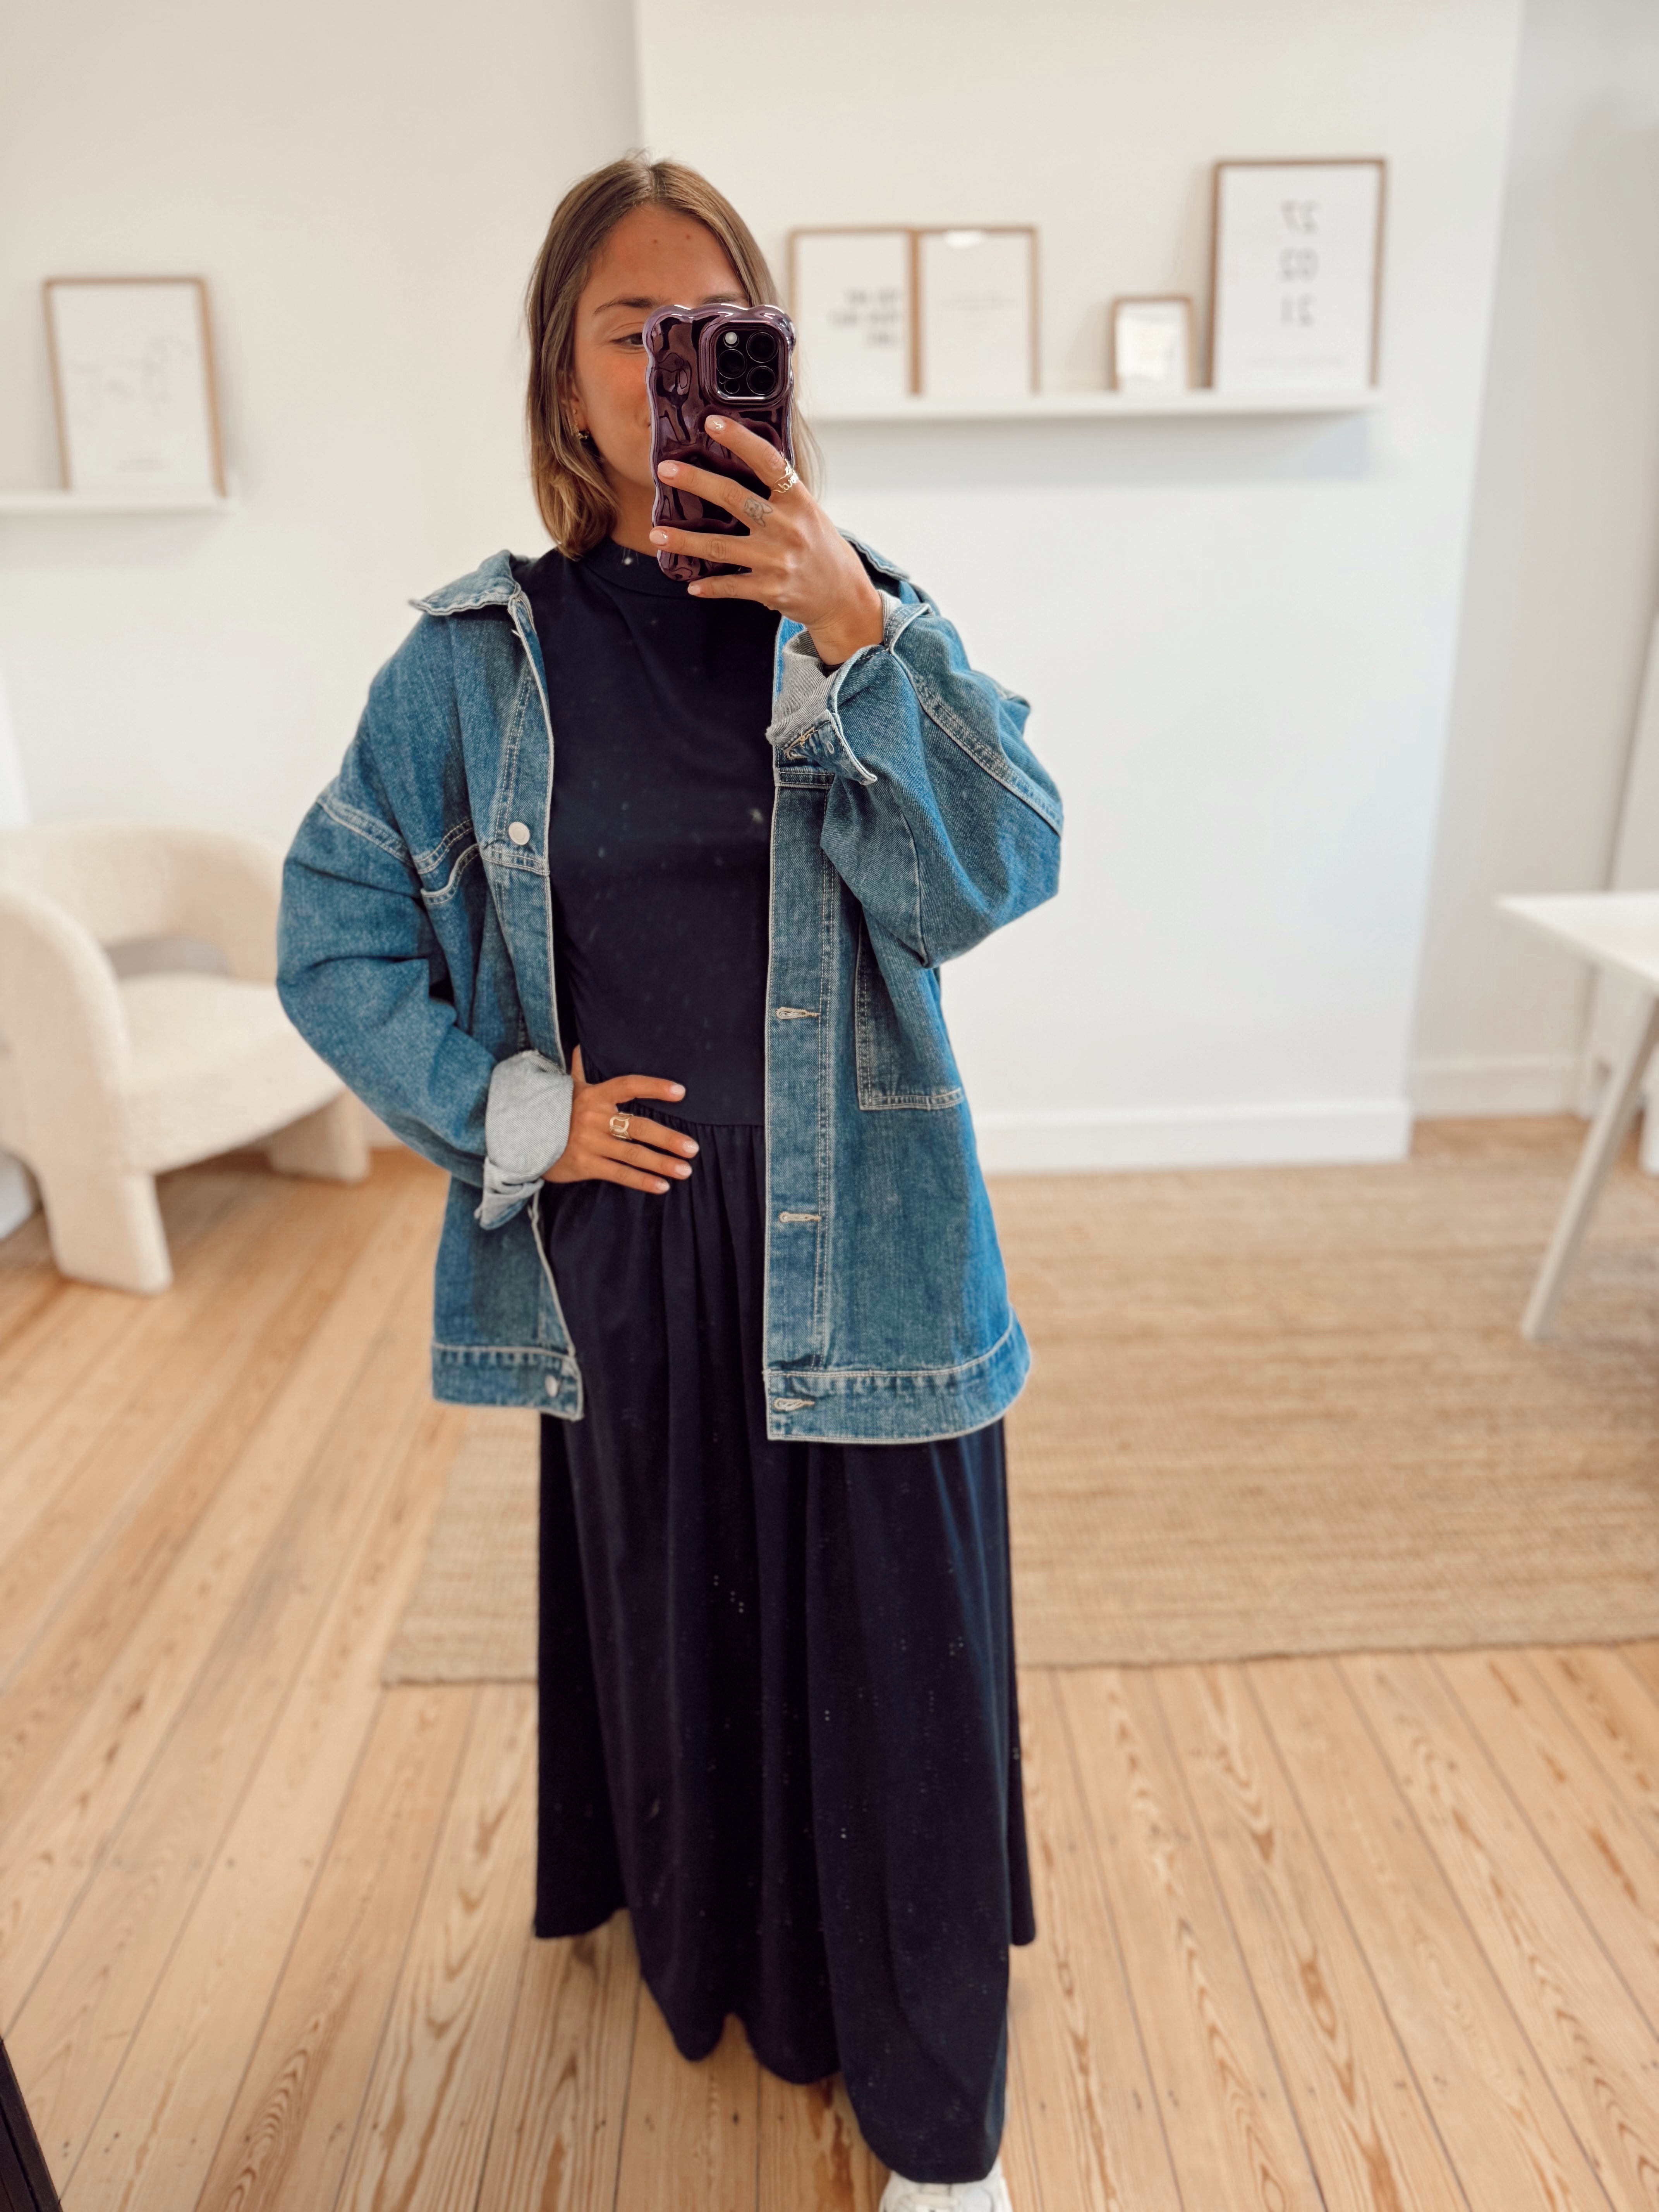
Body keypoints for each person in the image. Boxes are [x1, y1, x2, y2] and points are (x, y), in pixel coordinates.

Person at [277, 152, 1062, 2211]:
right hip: (635, 1249)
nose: (666, 367)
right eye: (627, 330)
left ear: (771, 362)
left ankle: (940, 2140)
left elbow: (1000, 873)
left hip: (872, 1243)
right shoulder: (477, 663)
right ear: (563, 381)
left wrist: (859, 627)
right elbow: (331, 937)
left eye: (712, 328)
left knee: (899, 1667)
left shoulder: (853, 609)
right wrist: (515, 1113)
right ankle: (731, 1966)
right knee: (693, 1640)